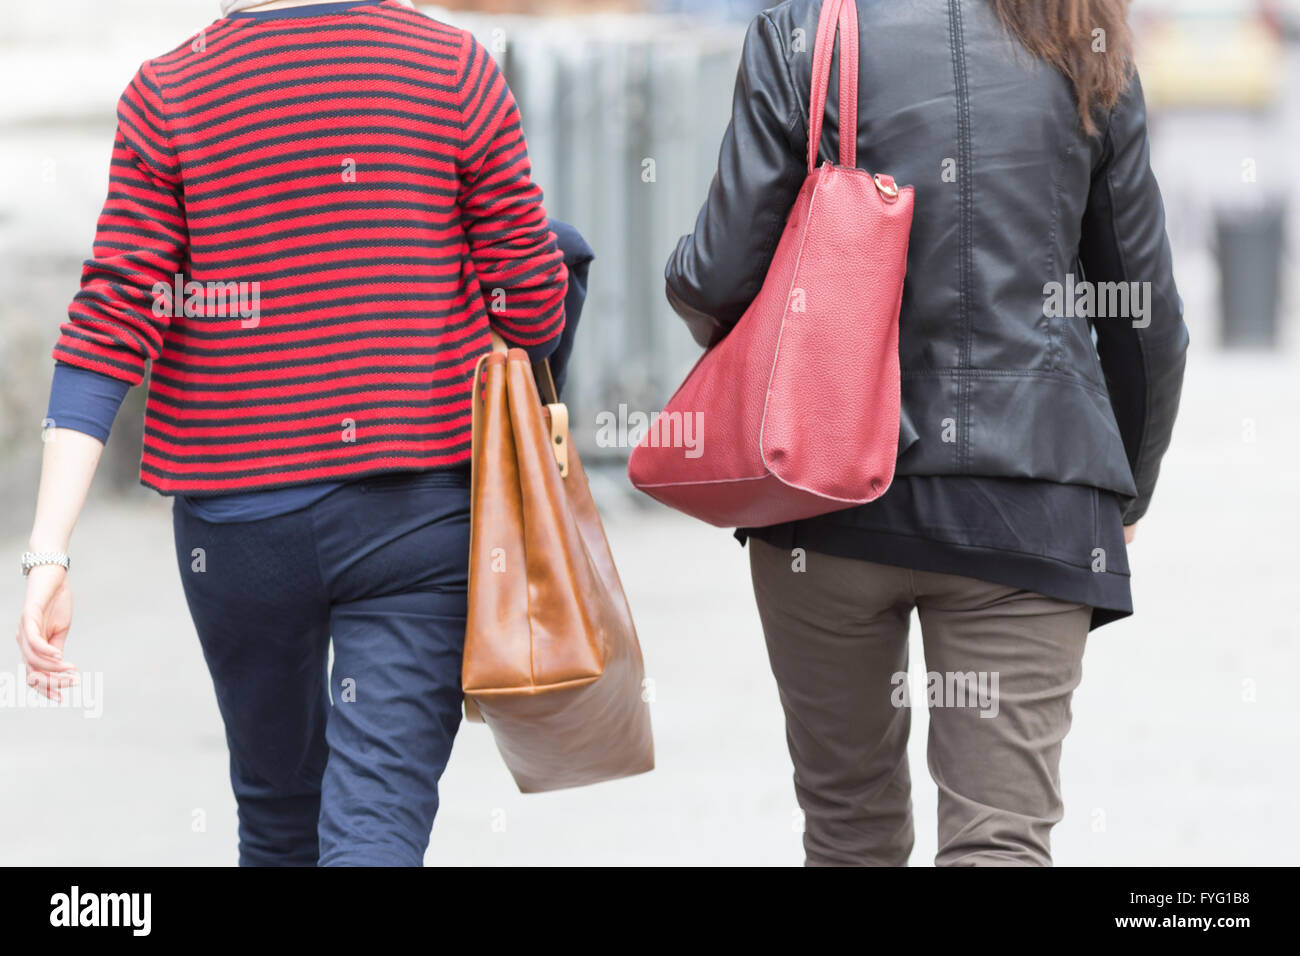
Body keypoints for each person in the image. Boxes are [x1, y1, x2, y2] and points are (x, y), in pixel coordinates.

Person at [17, 0, 577, 866]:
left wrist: (49, 549)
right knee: (375, 828)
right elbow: (531, 304)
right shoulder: (454, 68)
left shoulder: (169, 90)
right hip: (419, 515)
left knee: (277, 819)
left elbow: (113, 315)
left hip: (239, 530)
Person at [665, 0, 1188, 866]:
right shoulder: (1082, 34)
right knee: (1002, 841)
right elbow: (1143, 314)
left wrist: (684, 276)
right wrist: (1128, 479)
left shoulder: (805, 31)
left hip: (827, 496)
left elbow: (719, 273)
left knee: (848, 831)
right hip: (1036, 497)